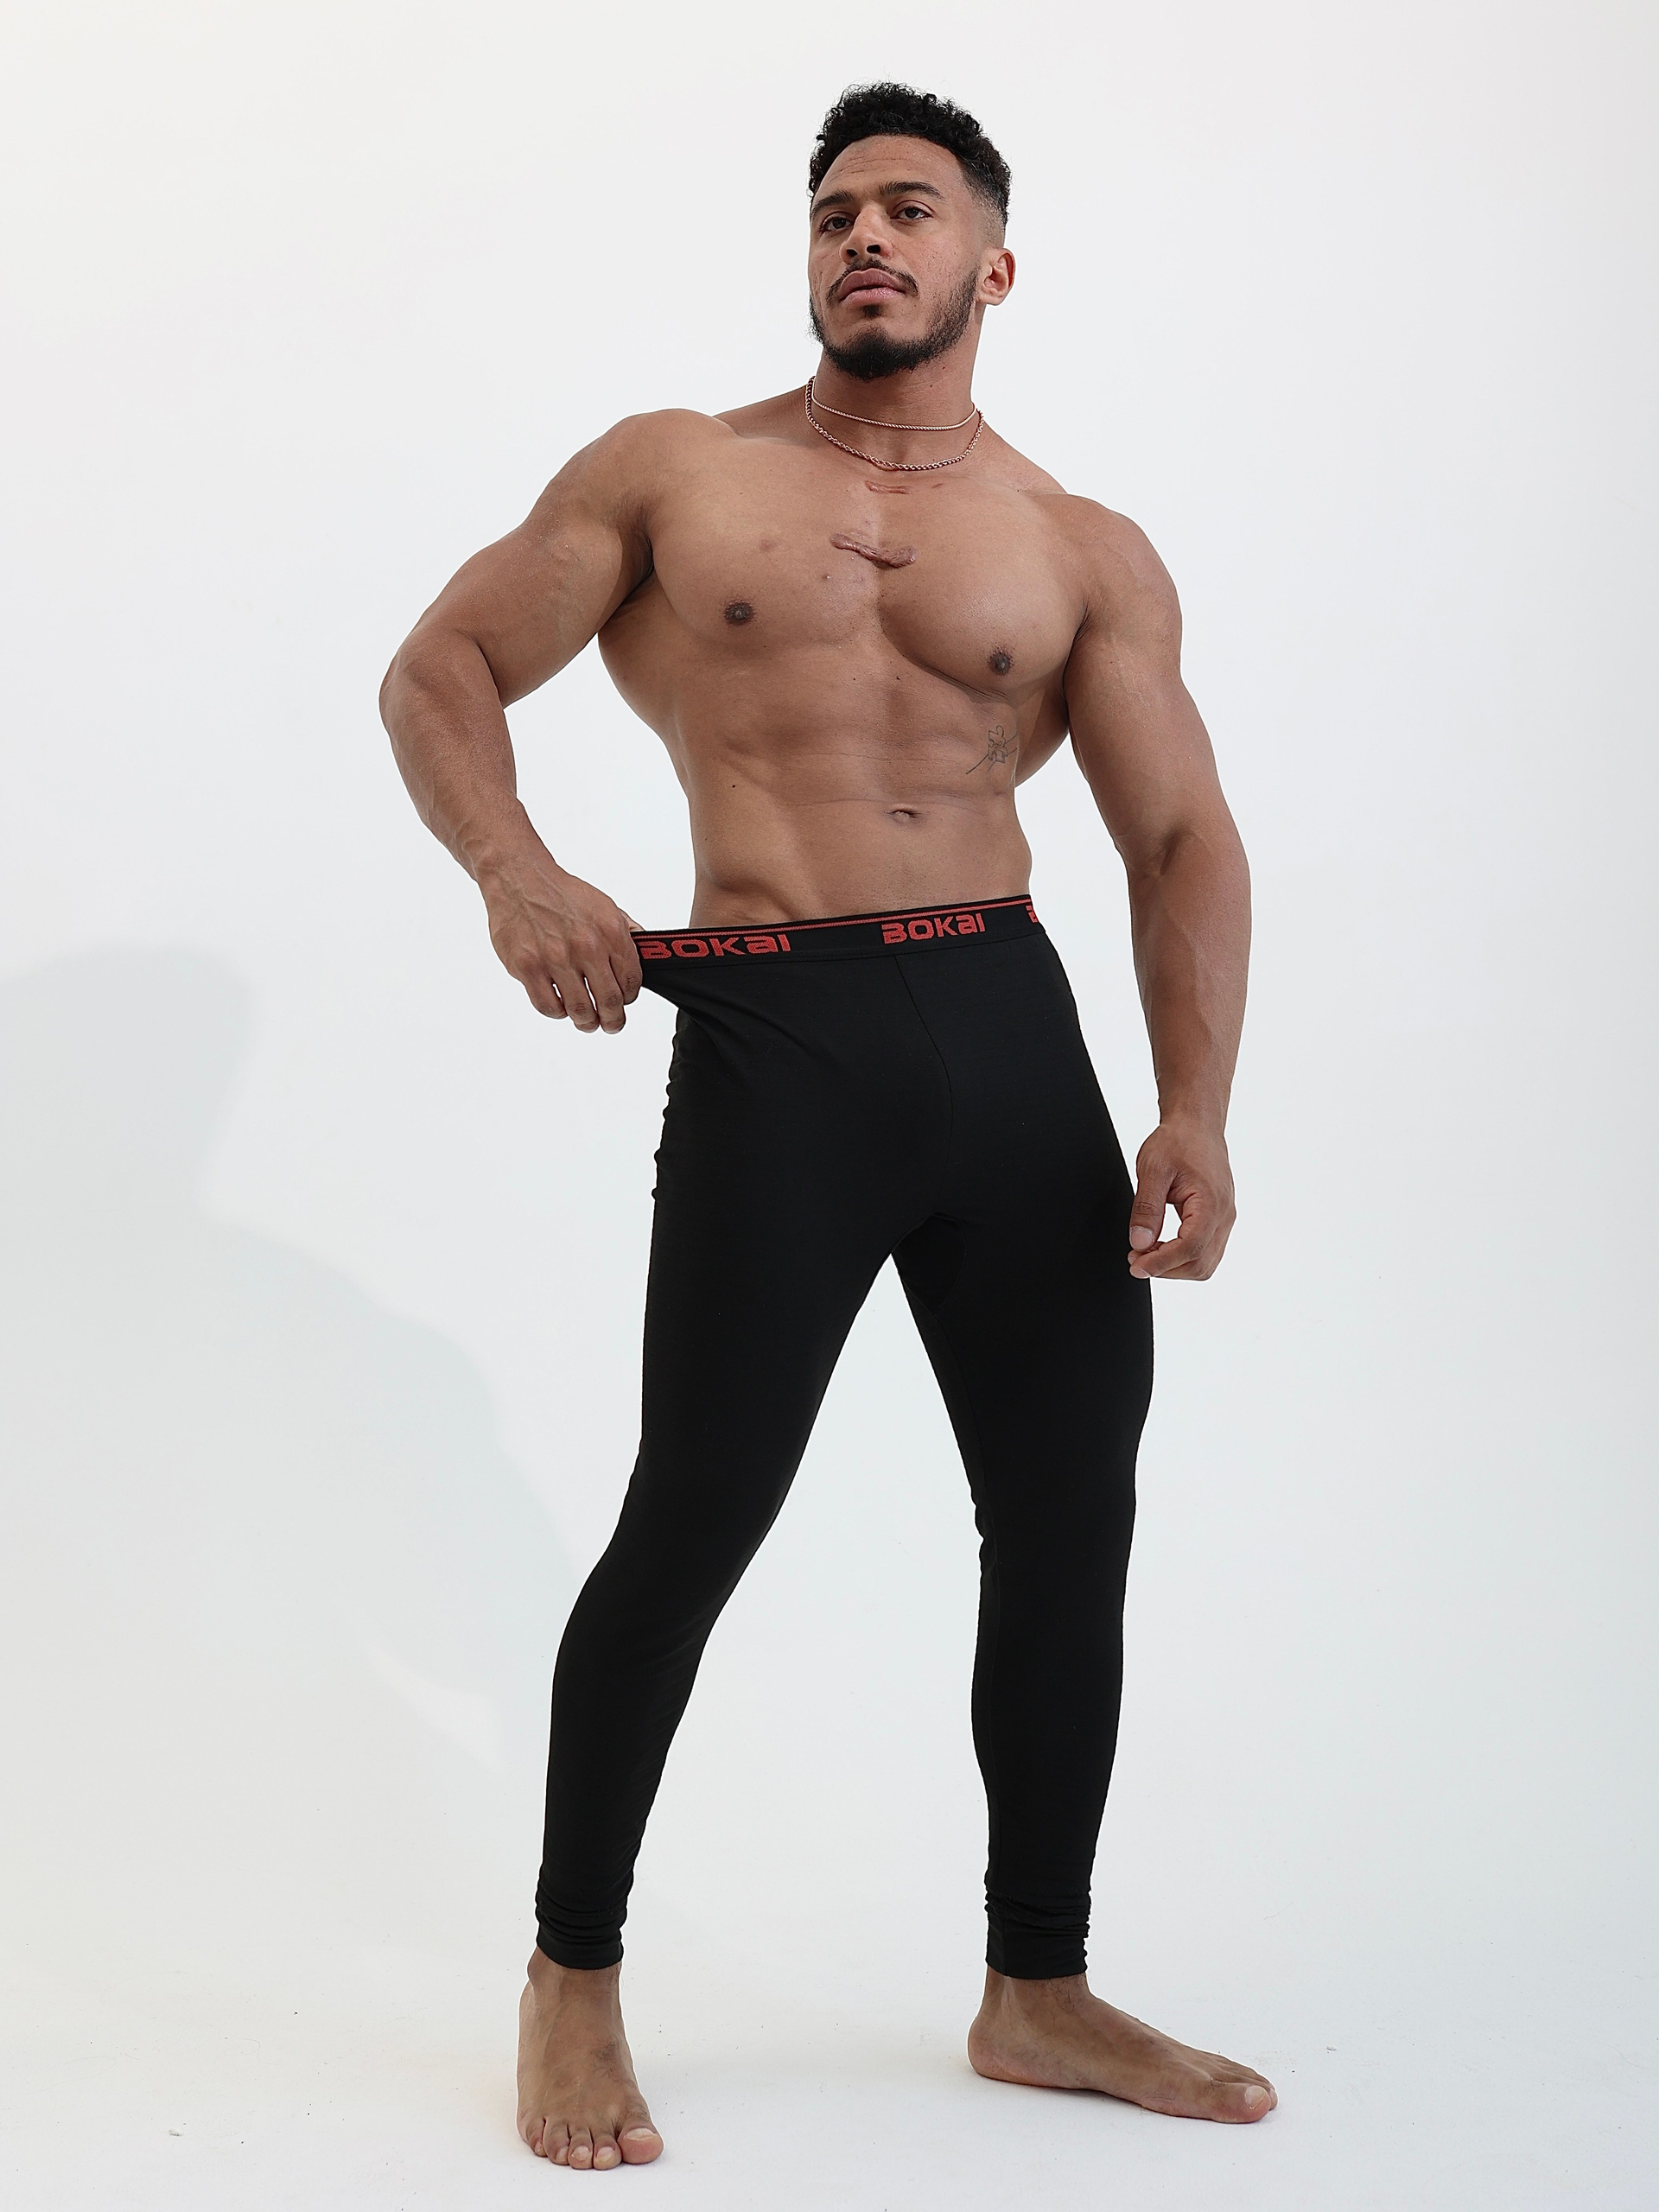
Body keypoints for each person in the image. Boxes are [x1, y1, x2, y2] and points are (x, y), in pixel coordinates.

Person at [381, 80, 1268, 2171]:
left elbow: (1177, 833)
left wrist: (1196, 1103)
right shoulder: (674, 473)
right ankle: (572, 1970)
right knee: (696, 1512)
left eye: (912, 209)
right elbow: (441, 667)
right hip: (781, 1032)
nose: (867, 236)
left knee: (1070, 1514)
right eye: (837, 210)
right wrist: (518, 870)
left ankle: (1037, 1981)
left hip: (1010, 1030)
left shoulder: (1078, 545)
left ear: (993, 264)